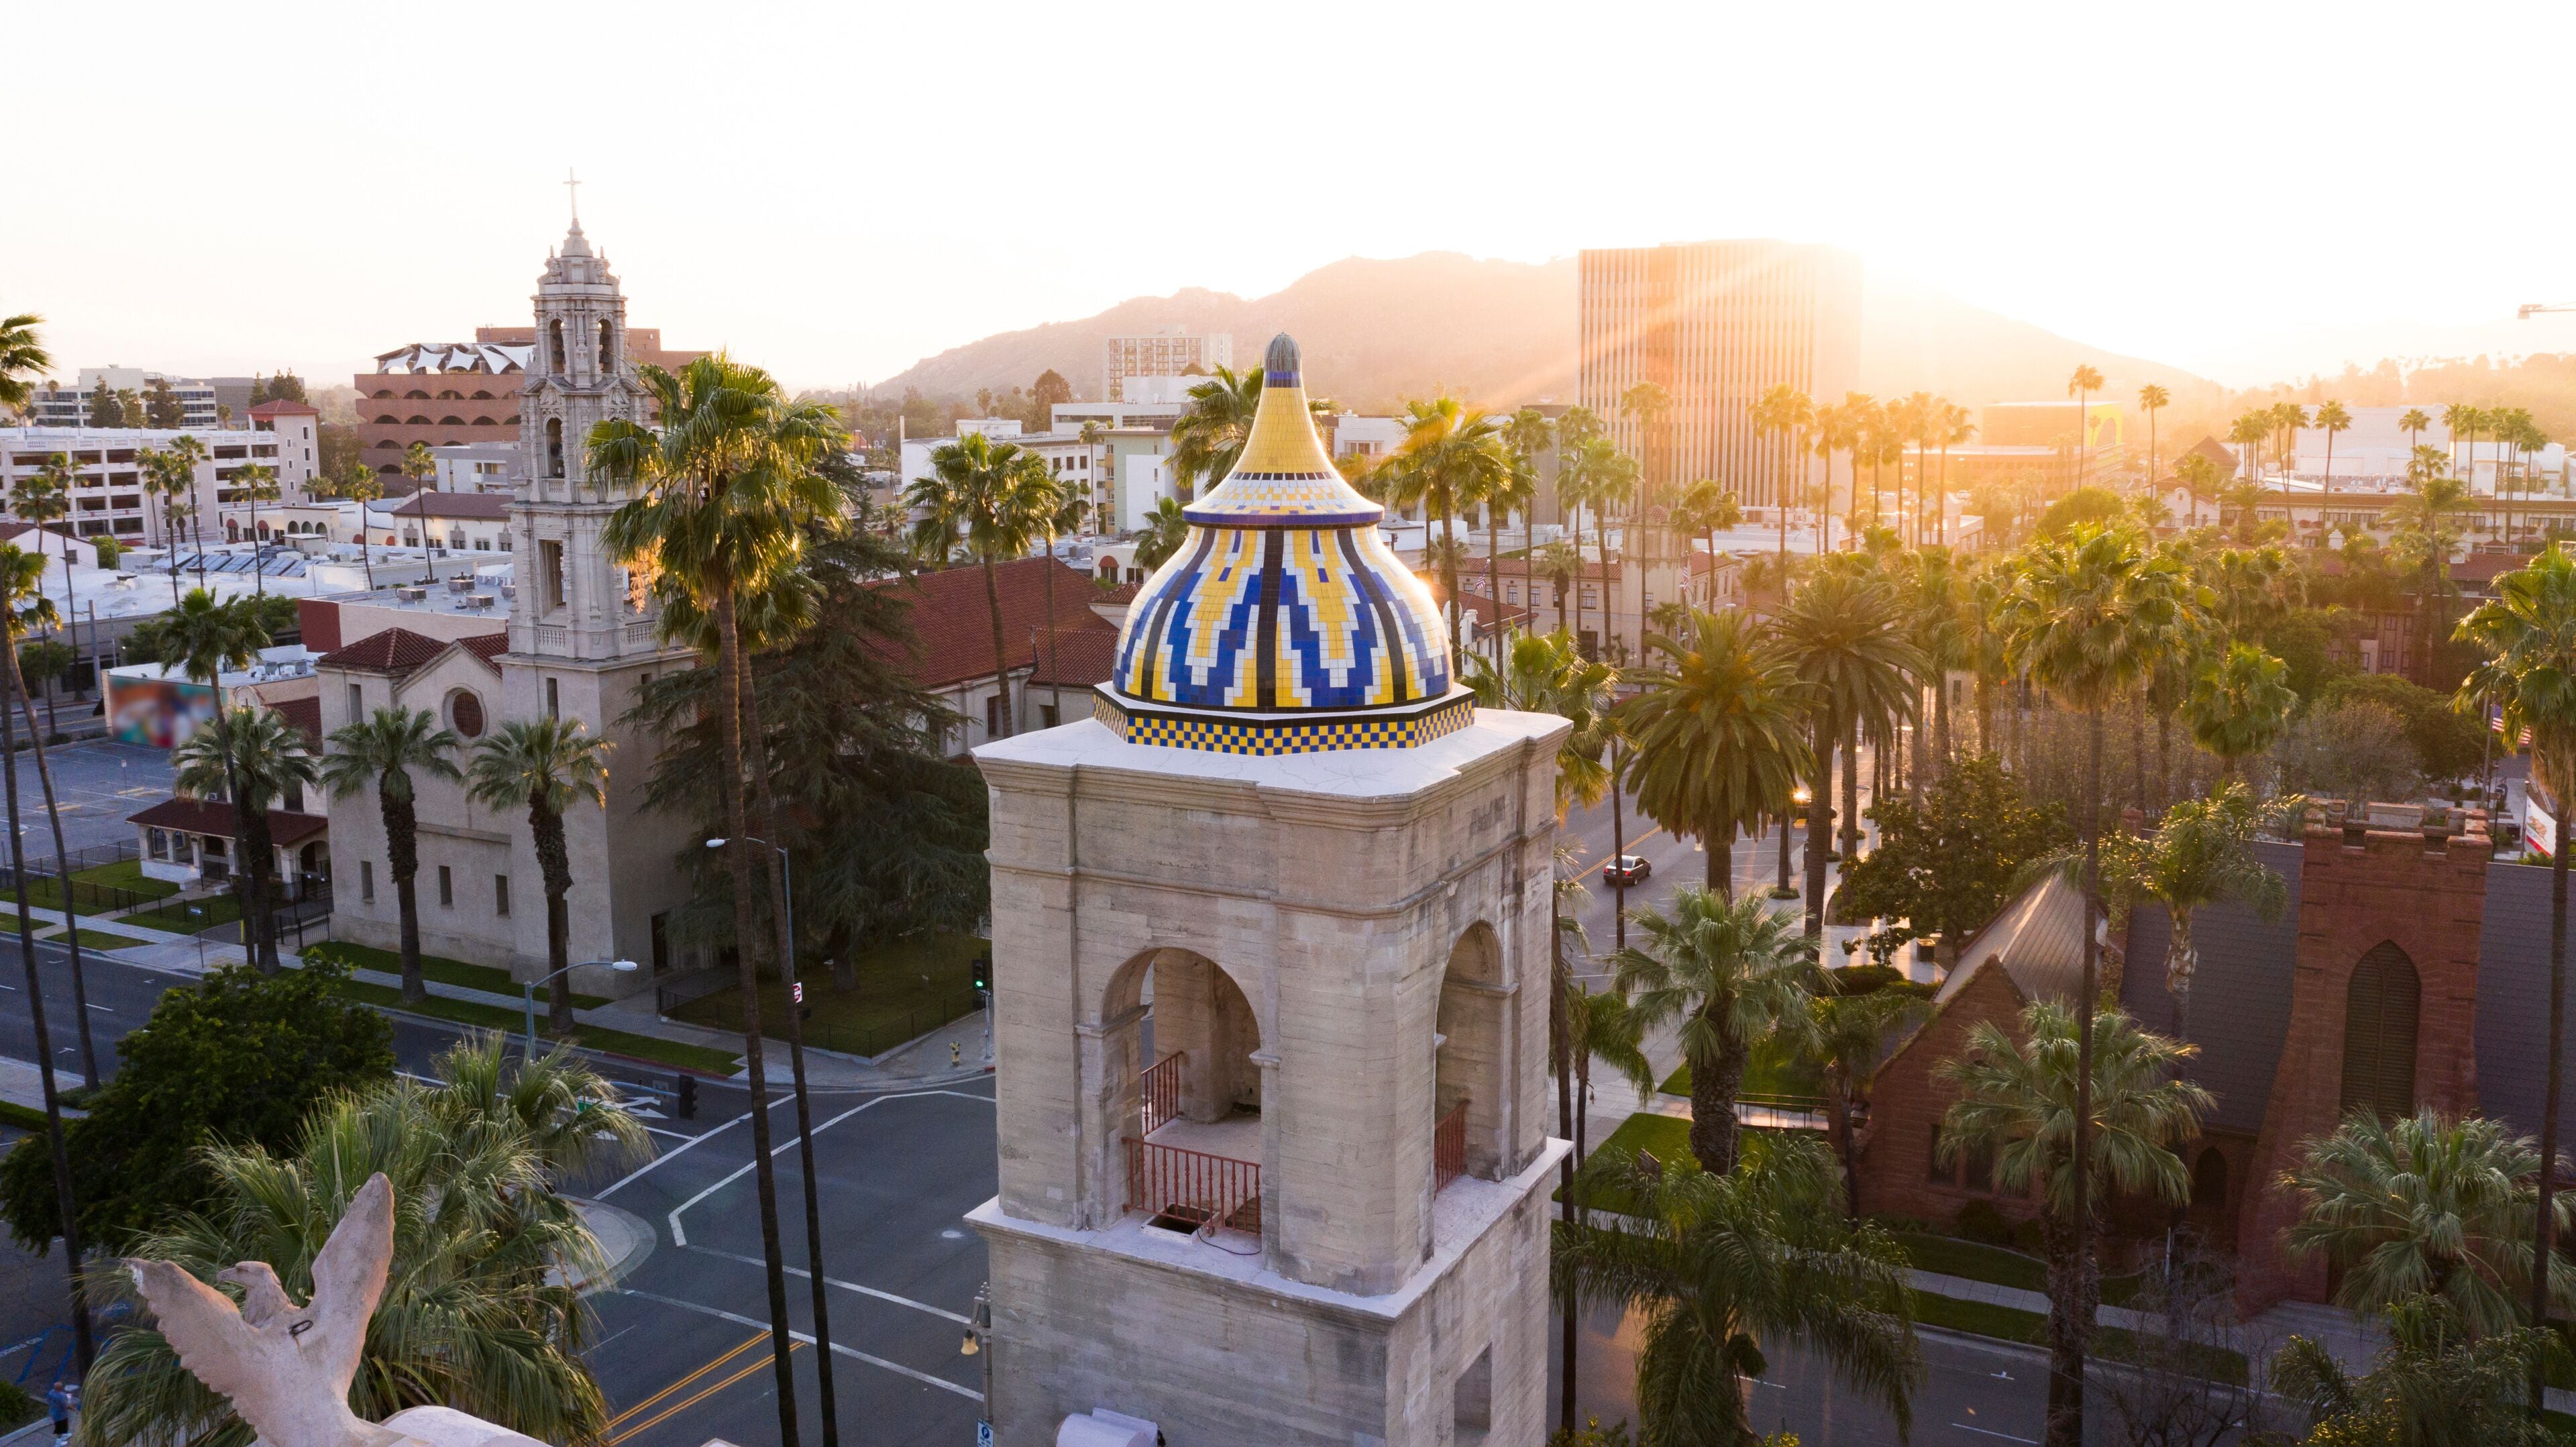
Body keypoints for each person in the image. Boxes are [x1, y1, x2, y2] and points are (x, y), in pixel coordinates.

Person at [44, 1378, 76, 1446]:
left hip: (53, 1412)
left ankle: (64, 1435)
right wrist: (74, 1408)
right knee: (59, 1428)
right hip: (61, 1415)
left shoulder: (51, 1392)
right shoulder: (61, 1396)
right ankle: (58, 1443)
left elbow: (48, 1400)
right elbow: (66, 1405)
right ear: (60, 1388)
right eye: (62, 1386)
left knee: (63, 1426)